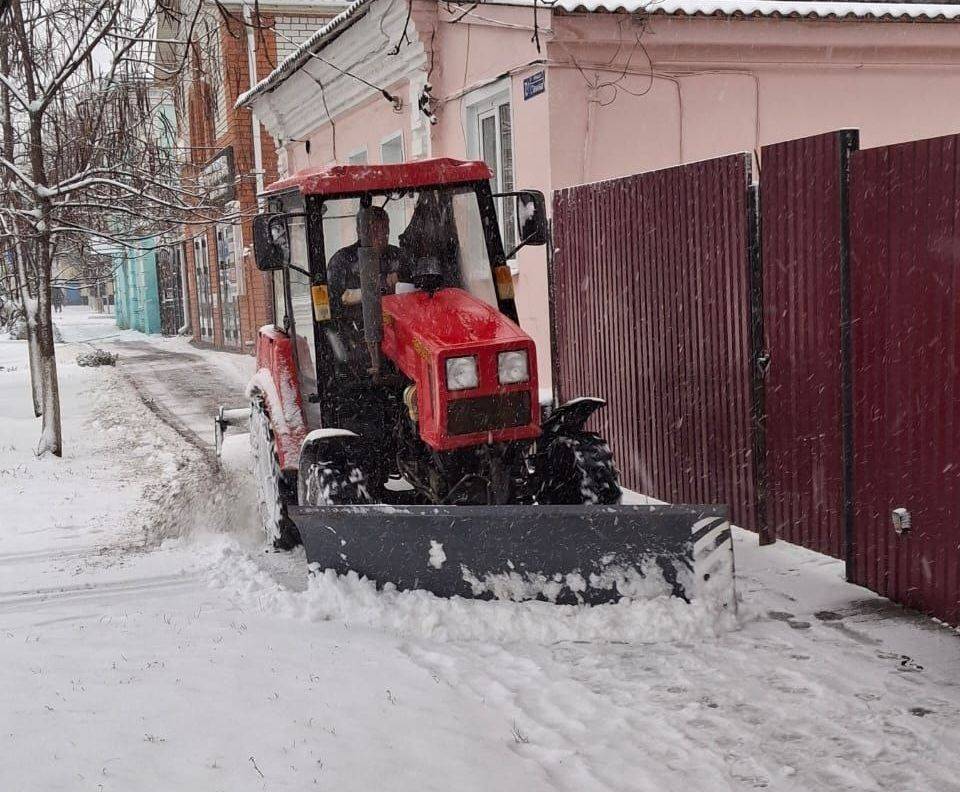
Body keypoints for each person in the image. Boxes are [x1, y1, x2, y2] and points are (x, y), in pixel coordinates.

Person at [326, 206, 411, 313]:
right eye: (374, 230)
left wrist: (400, 280)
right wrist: (379, 287)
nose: (381, 236)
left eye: (385, 229)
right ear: (360, 231)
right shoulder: (342, 261)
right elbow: (333, 304)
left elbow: (415, 289)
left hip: (399, 323)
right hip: (357, 326)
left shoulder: (399, 256)